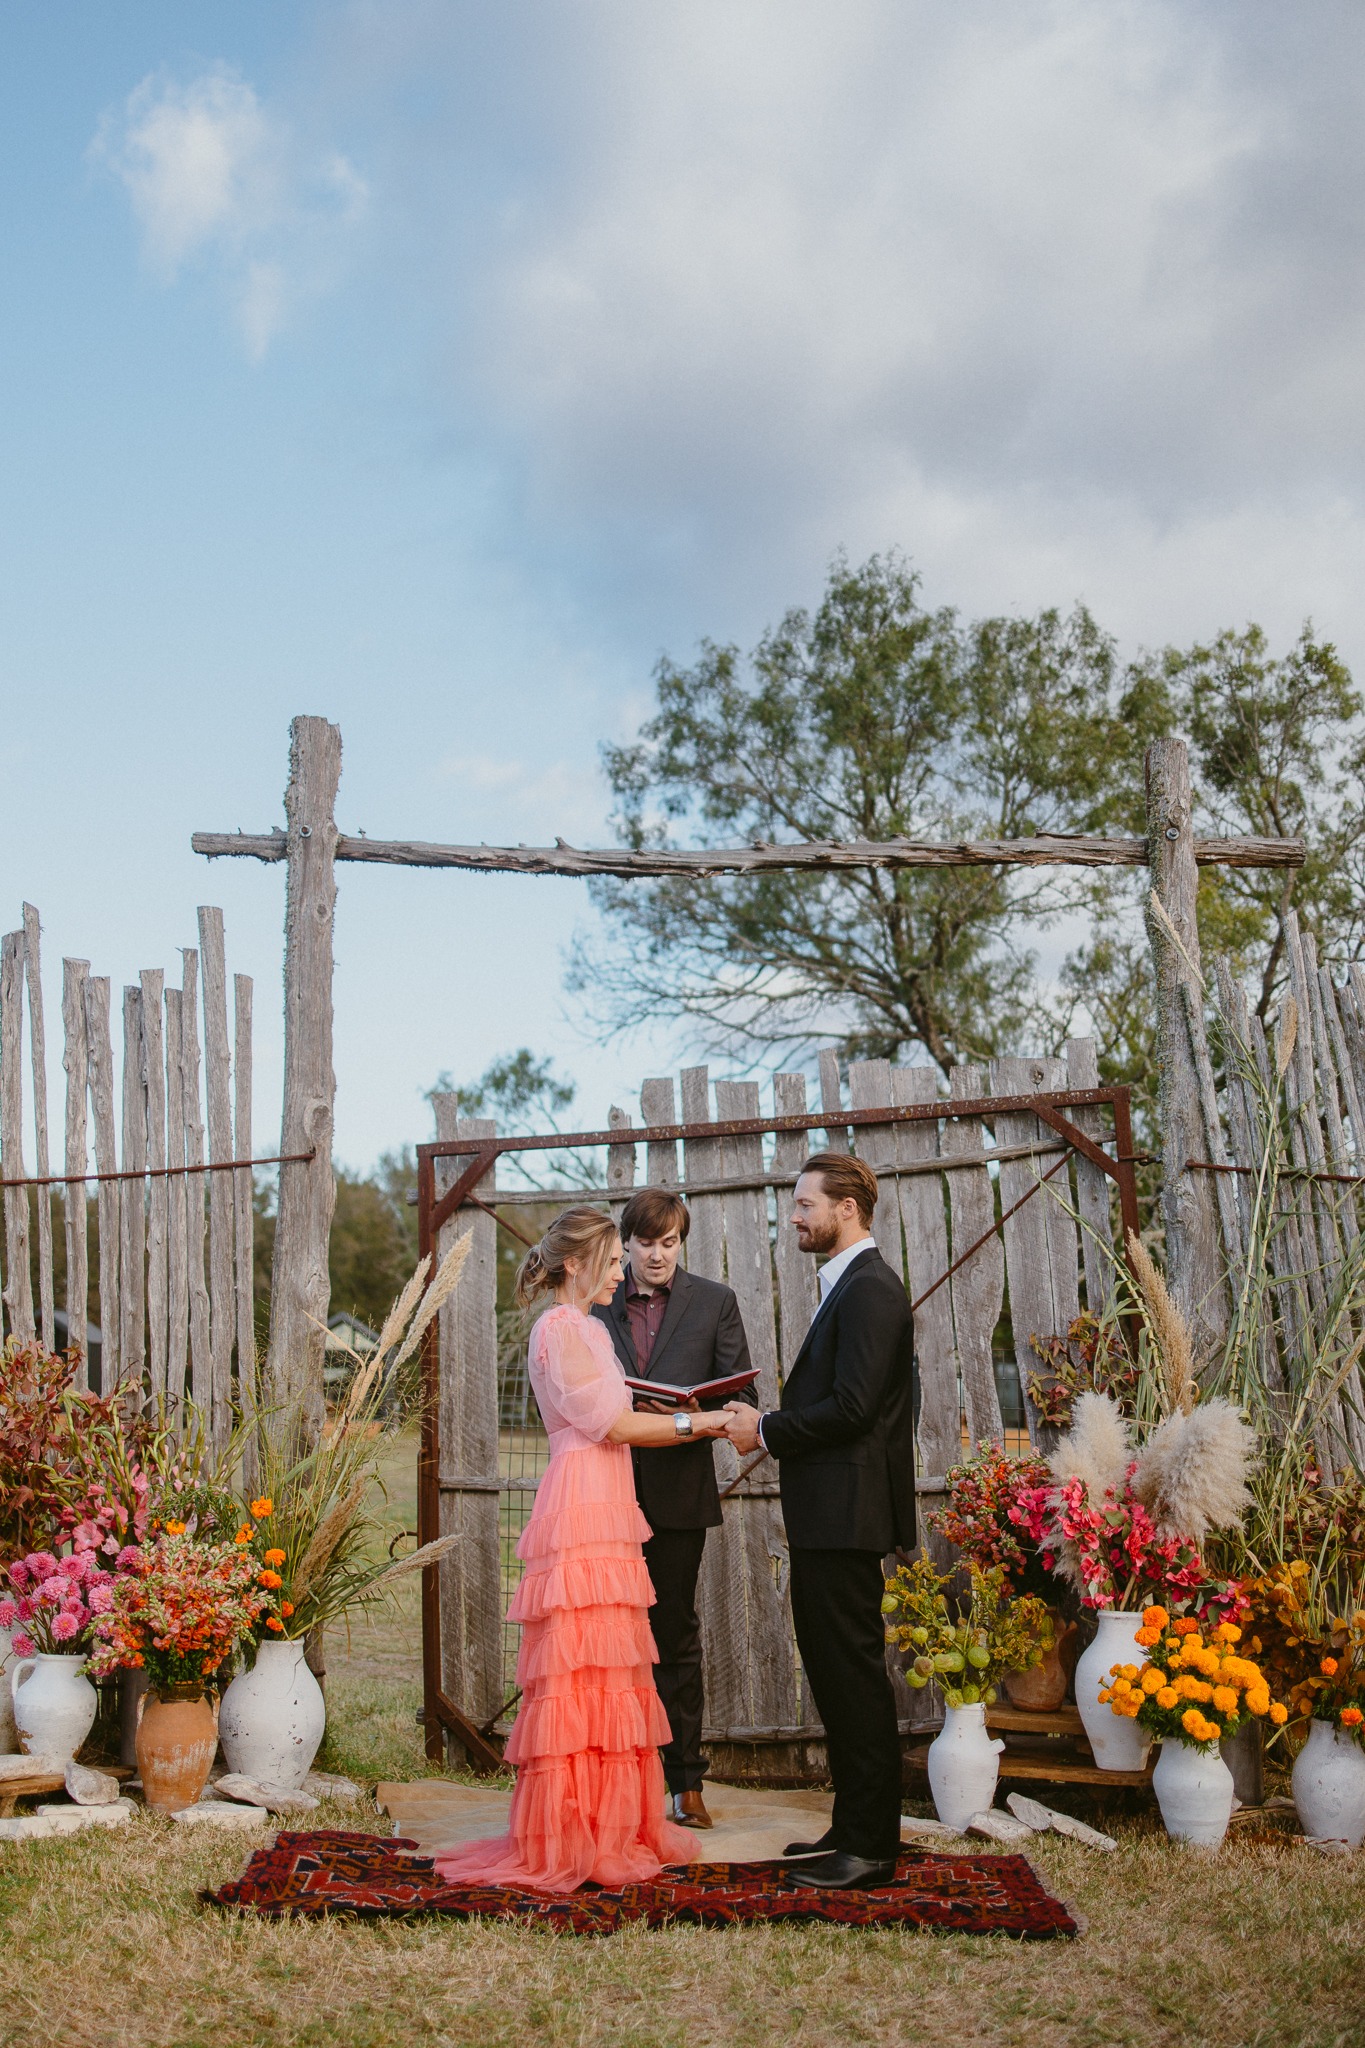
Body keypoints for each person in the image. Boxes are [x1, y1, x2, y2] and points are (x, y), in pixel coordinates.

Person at [433, 1206, 729, 1893]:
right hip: (583, 1497)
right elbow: (612, 1424)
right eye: (612, 1259)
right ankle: (572, 1832)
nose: (623, 1270)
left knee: (610, 1663)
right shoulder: (562, 1327)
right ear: (574, 1263)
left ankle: (607, 1823)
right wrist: (704, 1420)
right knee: (582, 1666)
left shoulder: (586, 1328)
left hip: (604, 1494)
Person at [722, 1152, 916, 1890]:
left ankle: (869, 1850)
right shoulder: (847, 1286)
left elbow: (854, 1409)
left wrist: (765, 1430)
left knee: (853, 1679)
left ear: (847, 1208)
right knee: (835, 1678)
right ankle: (851, 1827)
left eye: (805, 1204)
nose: (794, 1217)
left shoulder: (869, 1290)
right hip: (828, 1516)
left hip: (846, 1516)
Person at [593, 1187, 756, 1829]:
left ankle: (686, 1785)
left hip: (679, 1499)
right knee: (605, 1639)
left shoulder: (715, 1302)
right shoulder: (597, 1302)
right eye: (645, 1242)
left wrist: (691, 1414)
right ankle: (611, 1780)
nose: (658, 1255)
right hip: (602, 1495)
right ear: (624, 1243)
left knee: (675, 1637)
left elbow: (741, 1394)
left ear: (681, 1242)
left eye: (670, 1242)